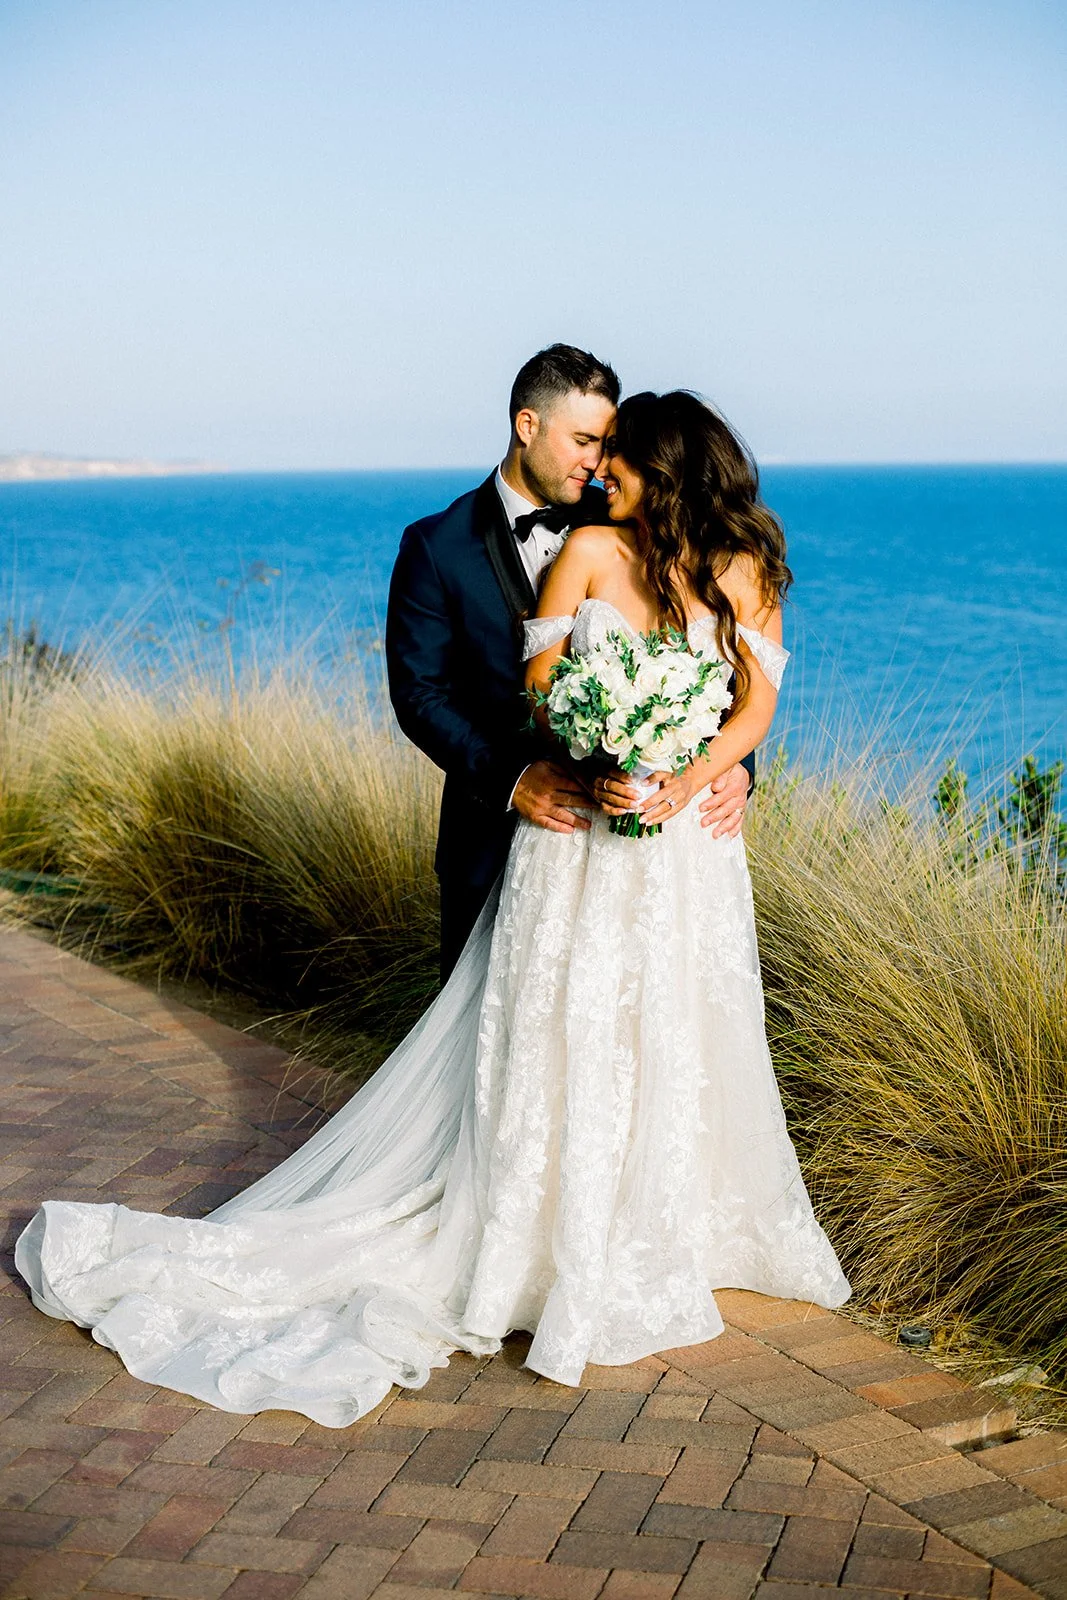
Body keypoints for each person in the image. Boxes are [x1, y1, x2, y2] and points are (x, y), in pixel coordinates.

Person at [14, 389, 849, 1429]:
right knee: (561, 1027)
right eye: (592, 452)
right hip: (575, 841)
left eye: (618, 456)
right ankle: (532, 1238)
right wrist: (593, 746)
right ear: (526, 425)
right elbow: (537, 687)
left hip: (684, 854)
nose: (600, 473)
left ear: (664, 468)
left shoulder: (751, 571)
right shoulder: (585, 551)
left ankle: (660, 1225)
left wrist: (695, 772)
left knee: (673, 1023)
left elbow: (754, 703)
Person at [386, 343, 754, 978]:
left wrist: (736, 766)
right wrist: (513, 779)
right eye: (584, 440)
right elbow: (419, 695)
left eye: (607, 443)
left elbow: (712, 646)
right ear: (527, 426)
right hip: (493, 829)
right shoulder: (435, 546)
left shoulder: (634, 516)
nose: (599, 461)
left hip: (625, 844)